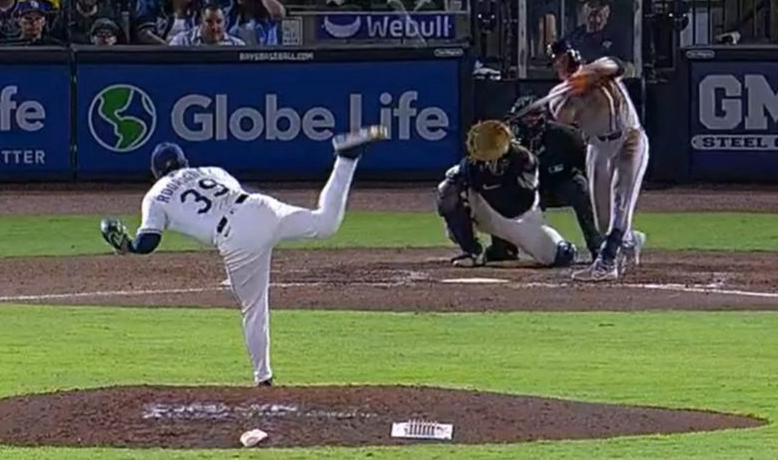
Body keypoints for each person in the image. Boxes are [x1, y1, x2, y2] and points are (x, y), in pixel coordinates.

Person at [99, 125, 389, 386]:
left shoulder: (155, 194)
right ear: (184, 161)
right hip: (259, 205)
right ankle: (347, 159)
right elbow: (231, 193)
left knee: (253, 308)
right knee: (324, 223)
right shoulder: (209, 170)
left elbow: (149, 241)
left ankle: (263, 378)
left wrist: (129, 247)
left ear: (156, 172)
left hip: (237, 236)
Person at [545, 39, 648, 282]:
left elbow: (617, 66)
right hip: (598, 146)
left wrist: (588, 76)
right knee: (603, 219)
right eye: (557, 59)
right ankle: (630, 239)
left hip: (631, 137)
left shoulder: (599, 66)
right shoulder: (558, 95)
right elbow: (564, 117)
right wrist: (573, 92)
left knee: (623, 200)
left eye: (564, 56)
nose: (562, 62)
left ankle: (607, 262)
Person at [436, 119, 578, 268]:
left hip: (520, 219)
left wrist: (503, 147)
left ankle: (505, 246)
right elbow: (453, 183)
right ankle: (472, 251)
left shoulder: (523, 159)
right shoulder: (471, 164)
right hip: (487, 211)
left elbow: (521, 192)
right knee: (447, 190)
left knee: (561, 256)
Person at [504, 95, 606, 261]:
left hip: (562, 183)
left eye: (533, 115)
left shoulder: (565, 136)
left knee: (579, 188)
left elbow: (588, 165)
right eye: (525, 117)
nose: (529, 121)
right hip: (532, 189)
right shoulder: (508, 141)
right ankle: (503, 248)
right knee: (503, 196)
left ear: (542, 116)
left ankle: (597, 246)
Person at [170, 4, 246, 46]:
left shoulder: (237, 45)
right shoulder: (182, 41)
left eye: (219, 22)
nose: (214, 27)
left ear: (225, 23)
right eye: (209, 22)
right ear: (200, 22)